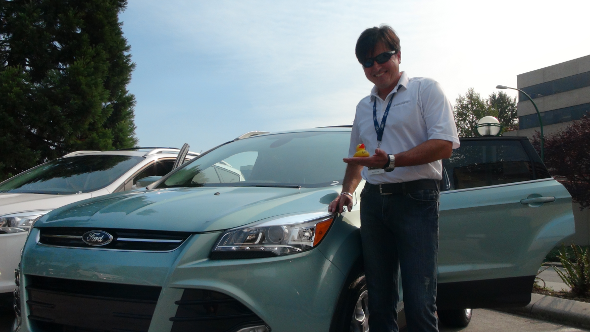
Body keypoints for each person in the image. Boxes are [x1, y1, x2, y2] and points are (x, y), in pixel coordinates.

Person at [328, 25, 460, 332]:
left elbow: (444, 145)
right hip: (374, 204)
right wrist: (347, 192)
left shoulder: (425, 90)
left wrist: (391, 160)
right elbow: (357, 160)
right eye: (367, 62)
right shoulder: (364, 107)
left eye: (382, 57)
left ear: (398, 55)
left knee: (418, 300)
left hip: (417, 199)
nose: (376, 67)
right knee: (379, 299)